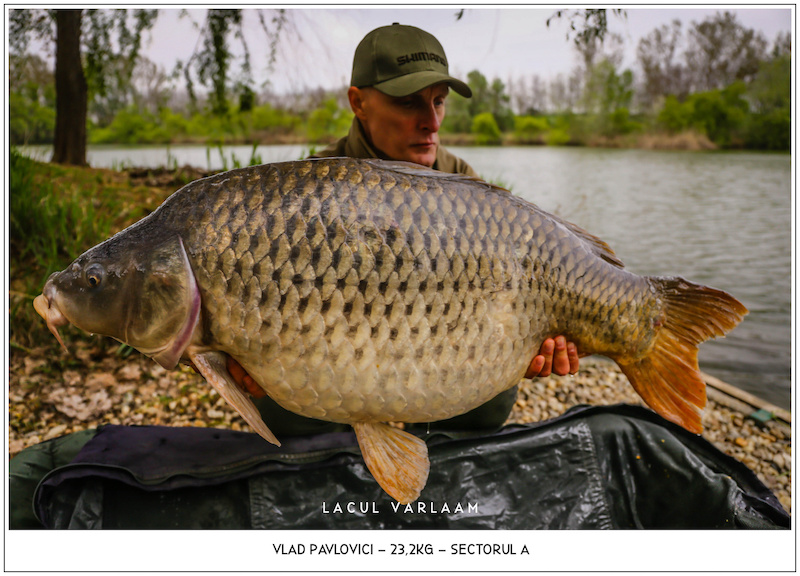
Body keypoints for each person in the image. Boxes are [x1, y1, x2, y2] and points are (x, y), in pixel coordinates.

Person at [229, 23, 580, 433]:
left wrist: (525, 344)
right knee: (280, 408)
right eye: (411, 103)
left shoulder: (463, 182)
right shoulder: (312, 190)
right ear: (359, 103)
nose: (431, 122)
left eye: (439, 102)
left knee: (491, 408)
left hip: (437, 348)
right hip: (334, 354)